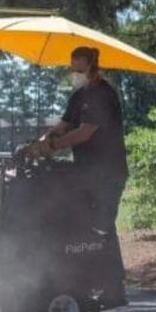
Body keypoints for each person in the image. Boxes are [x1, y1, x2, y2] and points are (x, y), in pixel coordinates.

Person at [30, 46, 130, 240]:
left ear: (92, 66)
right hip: (86, 170)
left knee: (98, 231)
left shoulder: (102, 94)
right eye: (72, 68)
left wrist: (53, 146)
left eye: (78, 69)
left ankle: (100, 265)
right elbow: (64, 125)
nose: (73, 73)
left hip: (107, 174)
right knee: (58, 204)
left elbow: (85, 132)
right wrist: (44, 139)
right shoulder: (78, 96)